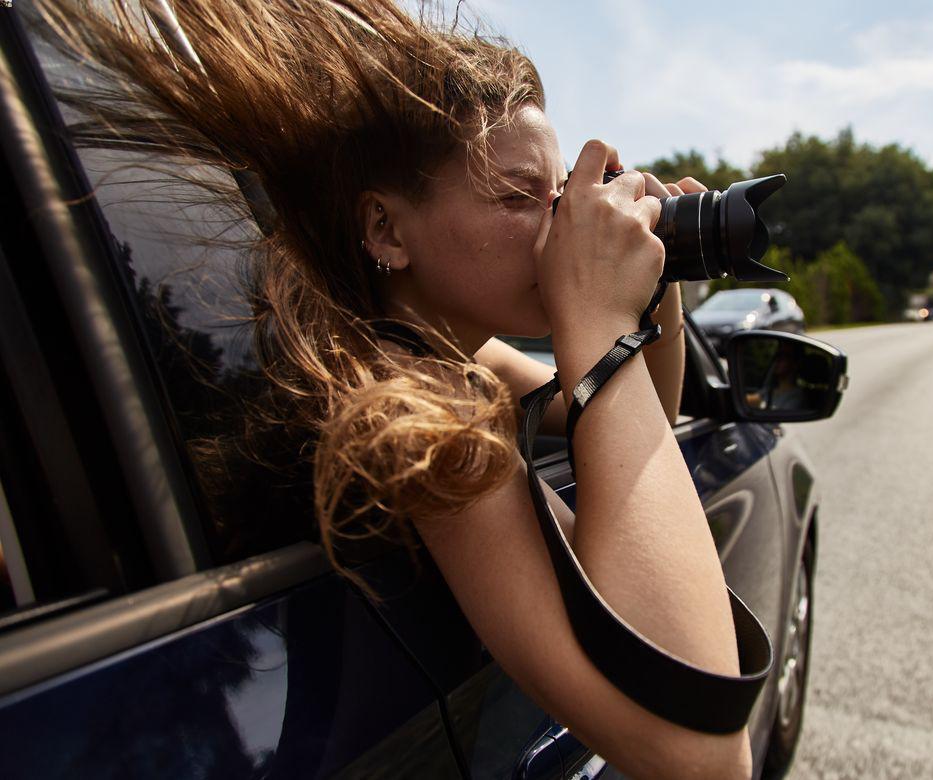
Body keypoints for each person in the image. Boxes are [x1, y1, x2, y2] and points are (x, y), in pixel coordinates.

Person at [38, 1, 752, 776]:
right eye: (519, 197)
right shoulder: (423, 428)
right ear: (386, 230)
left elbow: (635, 417)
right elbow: (701, 759)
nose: (555, 229)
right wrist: (601, 316)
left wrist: (655, 272)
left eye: (559, 199)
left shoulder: (448, 359)